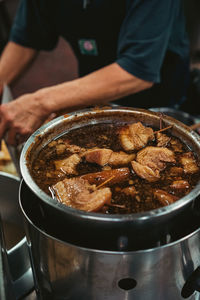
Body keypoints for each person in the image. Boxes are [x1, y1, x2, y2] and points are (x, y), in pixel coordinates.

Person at [0, 0, 189, 146]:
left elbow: (136, 70)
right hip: (95, 82)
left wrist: (39, 103)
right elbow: (26, 39)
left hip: (159, 92)